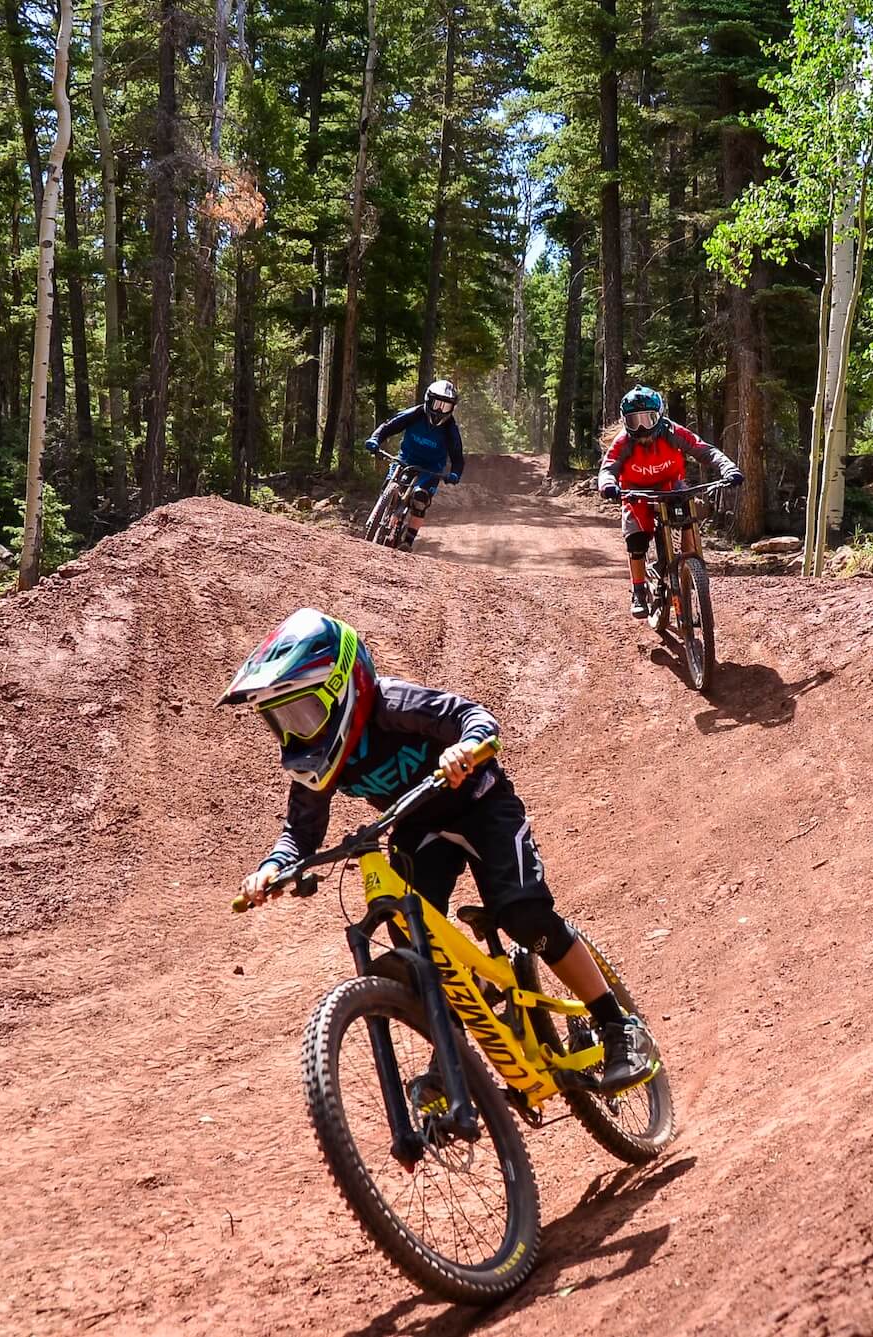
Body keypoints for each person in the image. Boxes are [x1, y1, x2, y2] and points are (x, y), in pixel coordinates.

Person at [225, 607, 653, 1094]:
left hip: (481, 805)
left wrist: (465, 748)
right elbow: (300, 832)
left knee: (525, 917)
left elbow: (474, 717)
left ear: (343, 688)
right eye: (282, 720)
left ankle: (620, 1028)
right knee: (416, 953)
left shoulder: (393, 703)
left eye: (303, 713)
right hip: (417, 830)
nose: (297, 732)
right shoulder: (319, 763)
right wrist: (273, 867)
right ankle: (452, 1064)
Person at [597, 385, 743, 617]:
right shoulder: (623, 442)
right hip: (636, 491)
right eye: (635, 421)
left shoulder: (673, 432)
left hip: (670, 486)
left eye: (649, 418)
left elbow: (704, 450)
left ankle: (691, 568)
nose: (643, 427)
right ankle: (638, 591)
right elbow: (609, 467)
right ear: (626, 422)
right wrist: (608, 485)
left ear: (660, 416)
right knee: (636, 537)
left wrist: (728, 468)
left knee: (688, 517)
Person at [363, 379, 466, 550]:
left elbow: (457, 456)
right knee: (388, 487)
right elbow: (389, 426)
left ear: (452, 409)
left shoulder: (450, 429)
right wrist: (375, 439)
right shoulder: (415, 414)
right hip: (405, 460)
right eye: (437, 404)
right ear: (428, 401)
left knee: (420, 499)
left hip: (430, 469)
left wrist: (455, 473)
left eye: (446, 406)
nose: (440, 410)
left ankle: (407, 542)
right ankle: (381, 512)